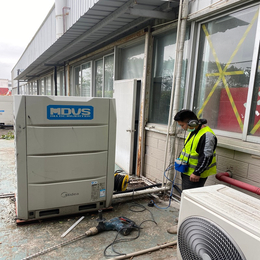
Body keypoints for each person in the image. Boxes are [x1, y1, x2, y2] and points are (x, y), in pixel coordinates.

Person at [167, 109, 217, 234]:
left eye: (182, 125)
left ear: (193, 122)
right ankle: (185, 217)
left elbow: (206, 157)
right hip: (187, 171)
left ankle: (183, 226)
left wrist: (197, 173)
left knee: (190, 201)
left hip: (195, 175)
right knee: (186, 197)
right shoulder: (193, 131)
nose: (183, 128)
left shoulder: (207, 135)